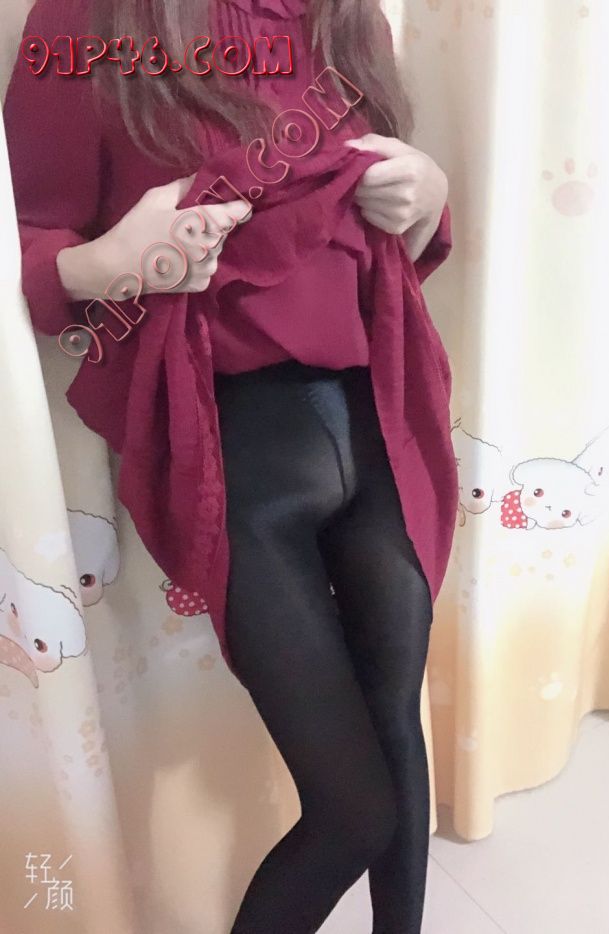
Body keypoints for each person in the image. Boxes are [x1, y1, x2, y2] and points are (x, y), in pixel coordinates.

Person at [3, 1, 459, 931]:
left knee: (395, 730)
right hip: (234, 445)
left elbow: (380, 235)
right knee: (352, 811)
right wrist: (111, 261)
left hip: (381, 410)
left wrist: (428, 191)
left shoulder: (345, 13)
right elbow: (31, 239)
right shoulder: (87, 18)